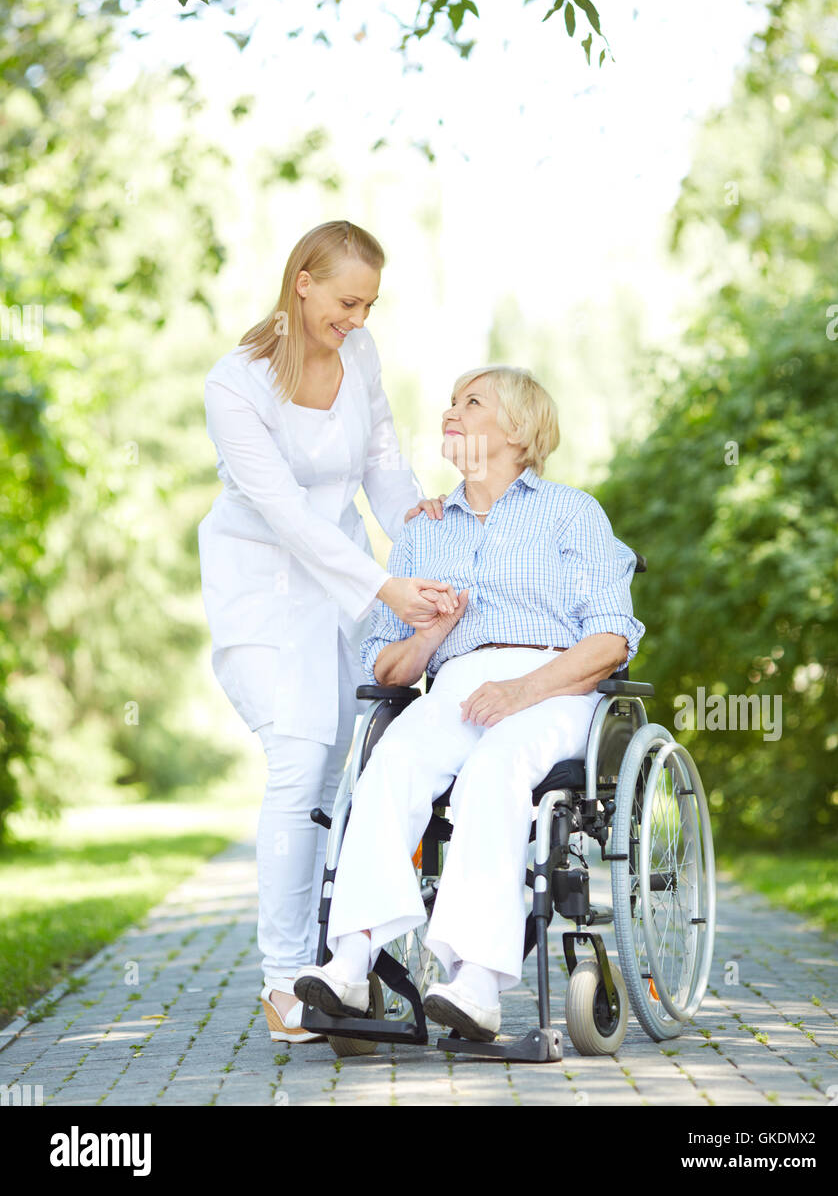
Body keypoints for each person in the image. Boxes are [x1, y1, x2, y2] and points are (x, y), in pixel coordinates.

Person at [293, 364, 645, 1041]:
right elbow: (385, 664)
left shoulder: (572, 512)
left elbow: (610, 640)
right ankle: (350, 963)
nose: (450, 412)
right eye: (451, 401)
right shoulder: (423, 532)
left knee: (495, 767)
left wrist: (522, 690)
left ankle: (477, 982)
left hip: (555, 685)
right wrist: (432, 632)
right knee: (389, 765)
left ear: (518, 430)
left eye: (472, 402)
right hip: (455, 685)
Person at [197, 220, 458, 1043]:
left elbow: (381, 460)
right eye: (347, 301)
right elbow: (283, 512)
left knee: (338, 774)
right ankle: (282, 983)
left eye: (369, 305)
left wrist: (419, 535)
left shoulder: (360, 355)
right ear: (302, 282)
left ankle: (332, 962)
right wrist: (384, 584)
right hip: (263, 591)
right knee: (298, 761)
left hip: (343, 593)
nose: (358, 318)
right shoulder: (235, 384)